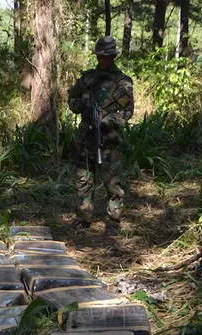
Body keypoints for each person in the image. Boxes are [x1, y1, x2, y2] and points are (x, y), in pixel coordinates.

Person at [67, 36, 135, 237]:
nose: (103, 60)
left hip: (109, 140)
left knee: (112, 182)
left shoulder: (122, 82)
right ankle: (83, 218)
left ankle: (113, 221)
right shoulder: (88, 78)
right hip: (85, 138)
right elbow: (72, 97)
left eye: (107, 56)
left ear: (113, 56)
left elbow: (127, 111)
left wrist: (108, 120)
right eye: (100, 56)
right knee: (83, 179)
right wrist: (81, 108)